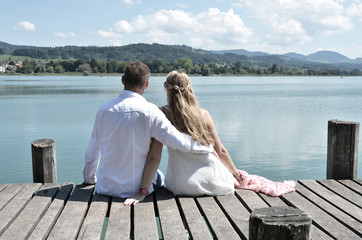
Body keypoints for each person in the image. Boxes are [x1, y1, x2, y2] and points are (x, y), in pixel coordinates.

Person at [82, 62, 213, 204]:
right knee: (160, 177)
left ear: (123, 80)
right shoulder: (151, 112)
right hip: (137, 189)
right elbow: (179, 142)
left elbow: (92, 151)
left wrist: (89, 179)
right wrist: (207, 146)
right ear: (146, 85)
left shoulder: (103, 110)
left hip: (106, 188)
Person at [150, 70, 243, 196]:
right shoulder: (203, 114)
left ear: (167, 88)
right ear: (190, 87)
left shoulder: (160, 114)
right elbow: (221, 150)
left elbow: (154, 155)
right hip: (215, 182)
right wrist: (236, 173)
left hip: (180, 185)